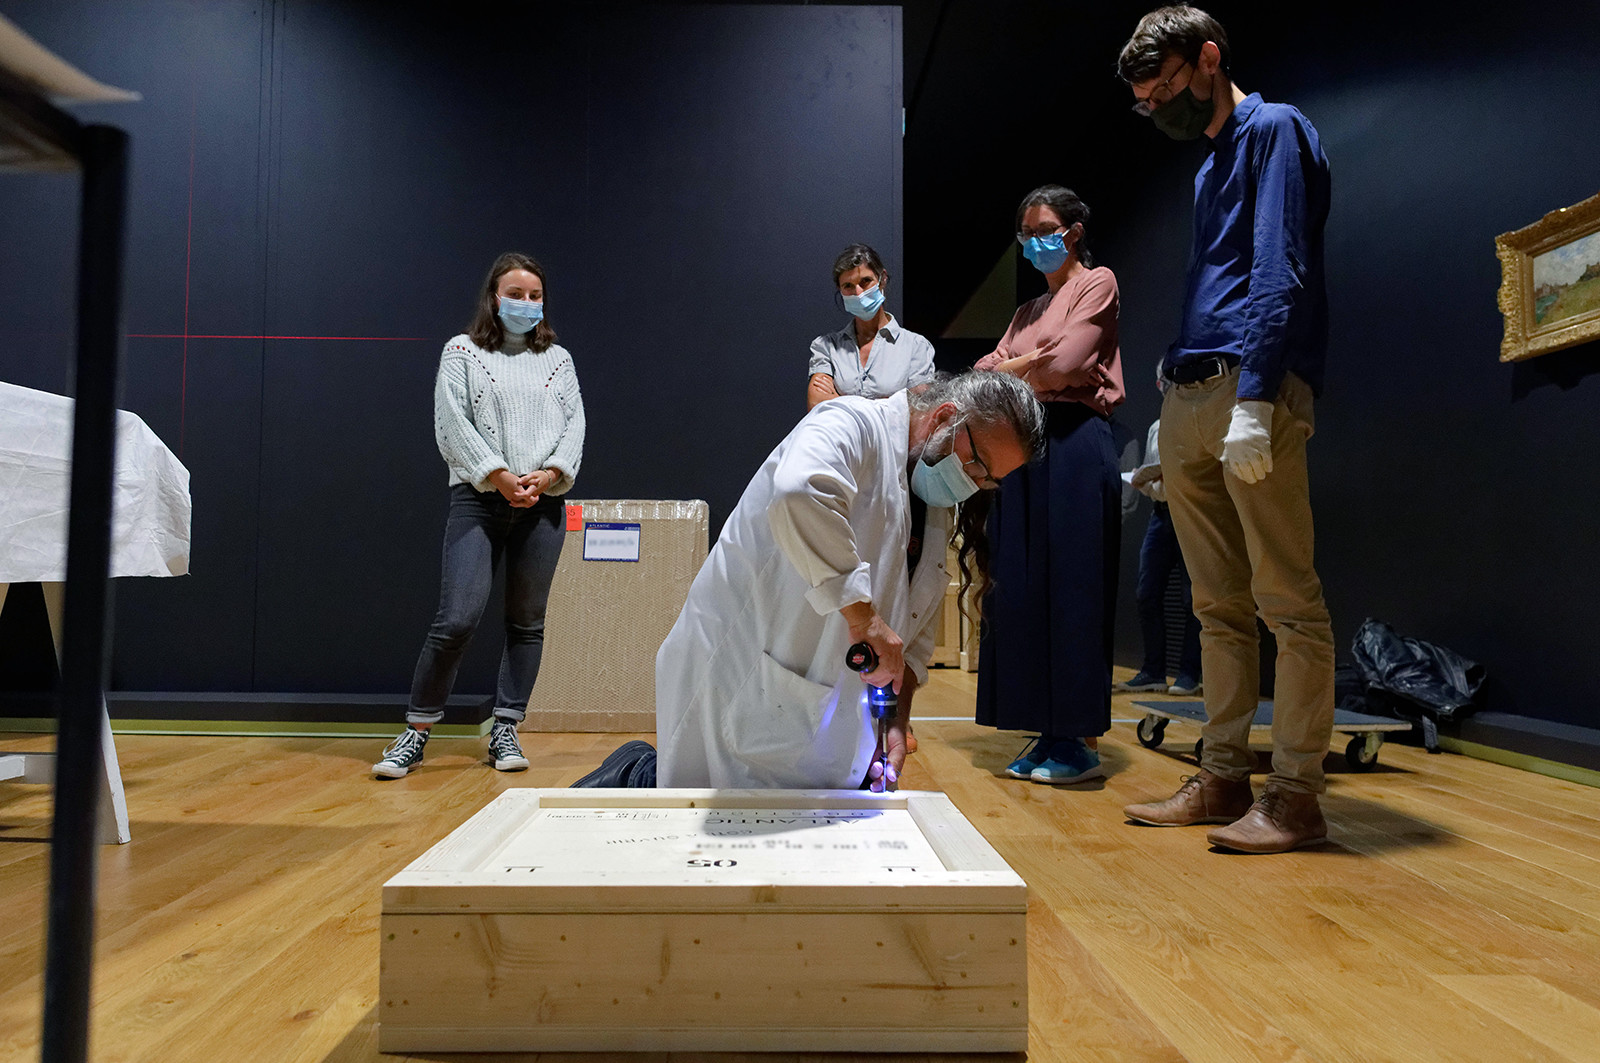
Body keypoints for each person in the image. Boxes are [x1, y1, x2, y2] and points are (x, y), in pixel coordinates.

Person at [575, 371, 1045, 791]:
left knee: (782, 812)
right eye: (977, 464)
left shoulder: (931, 492)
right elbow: (800, 491)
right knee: (709, 799)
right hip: (748, 666)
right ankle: (633, 771)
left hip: (813, 697)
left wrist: (896, 722)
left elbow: (912, 623)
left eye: (989, 481)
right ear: (945, 415)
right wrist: (862, 618)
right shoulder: (853, 423)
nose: (973, 482)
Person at [1116, 6, 1335, 853]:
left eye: (1166, 86)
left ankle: (1296, 794)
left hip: (1252, 384)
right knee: (1214, 604)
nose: (1159, 107)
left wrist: (1257, 395)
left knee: (1287, 598)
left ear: (1208, 58)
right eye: (1145, 102)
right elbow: (1208, 287)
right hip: (1189, 392)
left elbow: (1279, 267)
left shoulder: (1274, 129)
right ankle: (1223, 772)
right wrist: (1171, 426)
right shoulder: (1208, 168)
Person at [373, 252, 586, 778]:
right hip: (479, 502)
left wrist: (550, 473)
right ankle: (416, 732)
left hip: (543, 505)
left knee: (527, 623)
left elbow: (574, 425)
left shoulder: (558, 359)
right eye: (516, 294)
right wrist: (497, 474)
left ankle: (506, 729)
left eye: (535, 296)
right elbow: (452, 424)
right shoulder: (463, 353)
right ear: (494, 297)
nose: (526, 304)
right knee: (457, 619)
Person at [971, 185, 1125, 786]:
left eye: (1046, 228)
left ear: (1075, 230)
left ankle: (1078, 741)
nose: (1037, 241)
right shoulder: (1028, 311)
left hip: (1077, 440)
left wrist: (1020, 365)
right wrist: (1033, 360)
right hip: (1027, 447)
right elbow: (984, 375)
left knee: (1075, 586)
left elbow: (1066, 368)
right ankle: (1045, 726)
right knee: (1025, 585)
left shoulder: (1098, 283)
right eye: (1027, 232)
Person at [1117, 382, 1203, 696]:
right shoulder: (1157, 426)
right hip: (1162, 514)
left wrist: (1164, 481)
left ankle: (1189, 674)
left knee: (1192, 599)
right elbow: (1153, 481)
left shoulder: (1201, 421)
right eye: (1169, 383)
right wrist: (1151, 481)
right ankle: (1153, 671)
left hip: (1192, 515)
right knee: (1147, 592)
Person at [807, 244, 936, 410]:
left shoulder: (916, 347)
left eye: (865, 281)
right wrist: (888, 405)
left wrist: (839, 401)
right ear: (840, 289)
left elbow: (918, 413)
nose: (859, 293)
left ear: (882, 279)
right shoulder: (826, 346)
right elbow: (816, 405)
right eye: (848, 286)